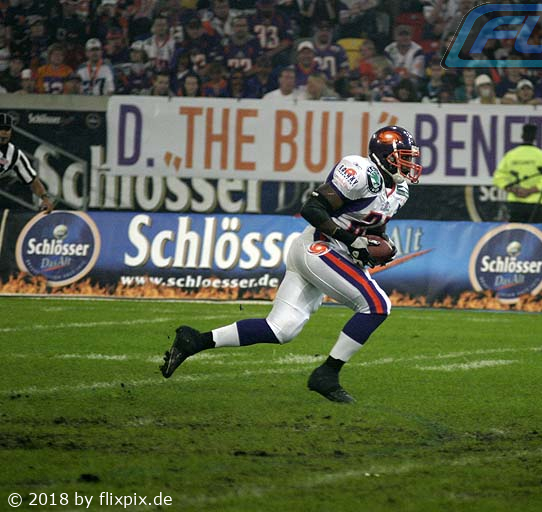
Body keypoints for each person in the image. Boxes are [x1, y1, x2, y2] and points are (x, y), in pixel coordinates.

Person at [160, 125, 423, 403]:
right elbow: (312, 208)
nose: (409, 164)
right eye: (403, 157)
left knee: (281, 329)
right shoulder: (361, 173)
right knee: (377, 305)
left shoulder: (400, 190)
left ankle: (194, 341)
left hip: (332, 252)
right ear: (383, 156)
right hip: (318, 247)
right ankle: (327, 374)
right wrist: (351, 240)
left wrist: (381, 244)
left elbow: (373, 224)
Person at [492, 124, 542, 224]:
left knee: (517, 232)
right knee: (537, 232)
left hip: (516, 202)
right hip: (538, 202)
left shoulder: (511, 155)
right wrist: (530, 191)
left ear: (522, 136)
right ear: (535, 137)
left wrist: (515, 190)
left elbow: (498, 178)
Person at [0, 114, 54, 214]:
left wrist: (45, 198)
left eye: (7, 129)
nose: (4, 132)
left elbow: (32, 180)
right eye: (0, 128)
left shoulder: (15, 154)